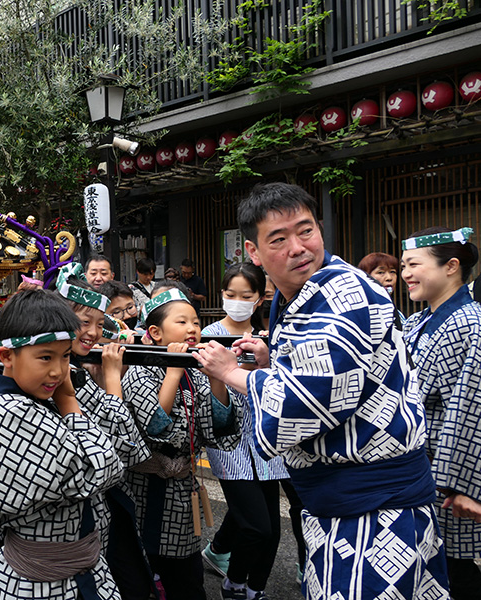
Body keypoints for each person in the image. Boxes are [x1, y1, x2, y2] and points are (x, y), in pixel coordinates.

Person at [195, 182, 448, 600]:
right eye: (278, 239)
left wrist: (232, 373)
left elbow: (305, 405)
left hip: (375, 508)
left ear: (320, 230)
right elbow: (326, 371)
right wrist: (273, 364)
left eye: (306, 230)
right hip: (348, 502)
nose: (298, 248)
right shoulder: (307, 293)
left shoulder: (344, 292)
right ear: (253, 252)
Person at [0, 288, 125, 599]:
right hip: (39, 583)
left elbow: (120, 447)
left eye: (65, 356)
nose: (58, 371)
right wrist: (69, 401)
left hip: (75, 569)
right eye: (46, 357)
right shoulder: (12, 411)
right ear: (7, 356)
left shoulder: (34, 399)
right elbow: (104, 469)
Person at [121, 288, 238, 600]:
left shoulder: (196, 369)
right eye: (182, 322)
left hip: (181, 487)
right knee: (142, 568)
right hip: (145, 485)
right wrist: (173, 371)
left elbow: (219, 427)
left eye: (196, 322)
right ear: (155, 332)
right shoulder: (139, 370)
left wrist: (216, 376)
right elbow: (156, 429)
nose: (192, 328)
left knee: (186, 577)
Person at [54, 265, 154, 599]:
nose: (94, 333)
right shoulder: (58, 375)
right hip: (75, 515)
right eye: (85, 322)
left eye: (100, 324)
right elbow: (123, 449)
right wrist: (112, 379)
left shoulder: (77, 368)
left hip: (100, 505)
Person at [199, 262, 293, 599]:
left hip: (267, 442)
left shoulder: (268, 337)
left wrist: (265, 363)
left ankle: (255, 589)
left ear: (259, 299)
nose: (237, 301)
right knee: (255, 526)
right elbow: (207, 399)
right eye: (230, 294)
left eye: (245, 295)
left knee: (272, 531)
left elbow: (284, 388)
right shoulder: (208, 338)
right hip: (229, 446)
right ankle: (234, 582)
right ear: (222, 295)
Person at [400, 226, 481, 600]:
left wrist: (462, 485)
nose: (405, 274)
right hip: (418, 467)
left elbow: (471, 411)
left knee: (453, 568)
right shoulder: (416, 321)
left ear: (451, 266)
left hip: (447, 472)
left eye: (414, 264)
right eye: (403, 265)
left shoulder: (472, 323)